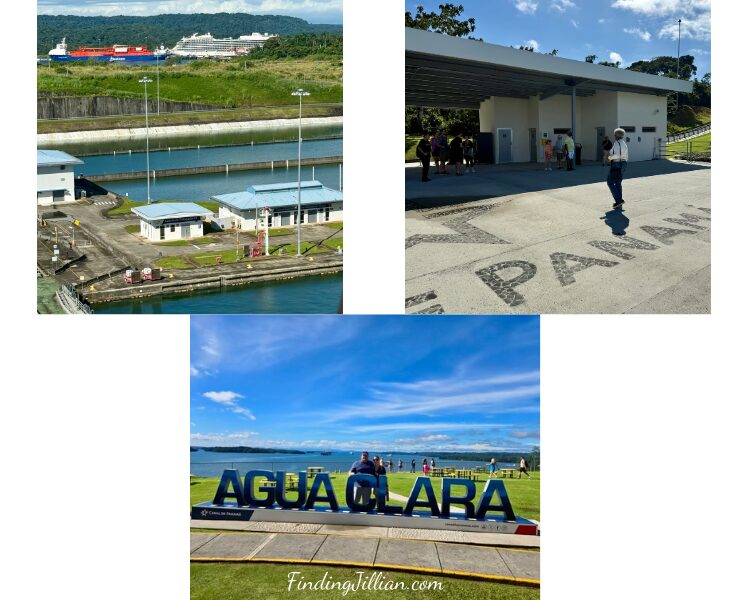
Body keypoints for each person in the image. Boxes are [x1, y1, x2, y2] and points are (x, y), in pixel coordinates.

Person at [607, 128, 629, 210]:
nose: (614, 135)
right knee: (618, 182)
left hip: (616, 164)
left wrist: (609, 157)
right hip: (624, 164)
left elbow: (616, 155)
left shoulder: (617, 143)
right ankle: (619, 202)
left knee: (610, 182)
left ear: (617, 135)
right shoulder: (624, 143)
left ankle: (618, 200)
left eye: (614, 134)